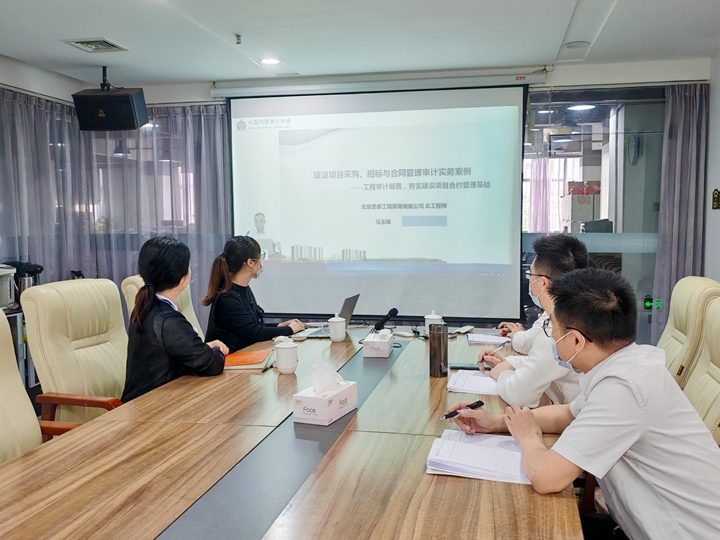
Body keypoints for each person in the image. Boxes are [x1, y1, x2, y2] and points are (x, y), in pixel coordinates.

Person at [449, 268, 720, 540]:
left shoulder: (623, 388)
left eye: (552, 329)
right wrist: (498, 422)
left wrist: (529, 437)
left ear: (576, 340)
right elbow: (568, 414)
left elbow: (545, 477)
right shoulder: (626, 364)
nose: (551, 337)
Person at [481, 234, 588, 407]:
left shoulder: (559, 331)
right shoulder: (576, 312)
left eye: (530, 274)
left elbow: (519, 396)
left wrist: (502, 373)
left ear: (543, 283)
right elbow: (544, 364)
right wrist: (509, 363)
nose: (529, 280)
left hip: (570, 418)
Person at [122, 237, 228, 402]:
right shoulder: (169, 321)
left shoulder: (143, 307)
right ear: (182, 278)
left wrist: (203, 347)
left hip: (142, 403)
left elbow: (169, 352)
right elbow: (212, 364)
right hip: (155, 408)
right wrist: (215, 352)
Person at [203, 235, 305, 352]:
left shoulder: (244, 289)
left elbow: (253, 325)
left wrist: (279, 326)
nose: (261, 264)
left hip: (247, 353)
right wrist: (290, 329)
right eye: (260, 258)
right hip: (231, 359)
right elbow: (254, 333)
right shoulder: (227, 298)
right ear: (250, 262)